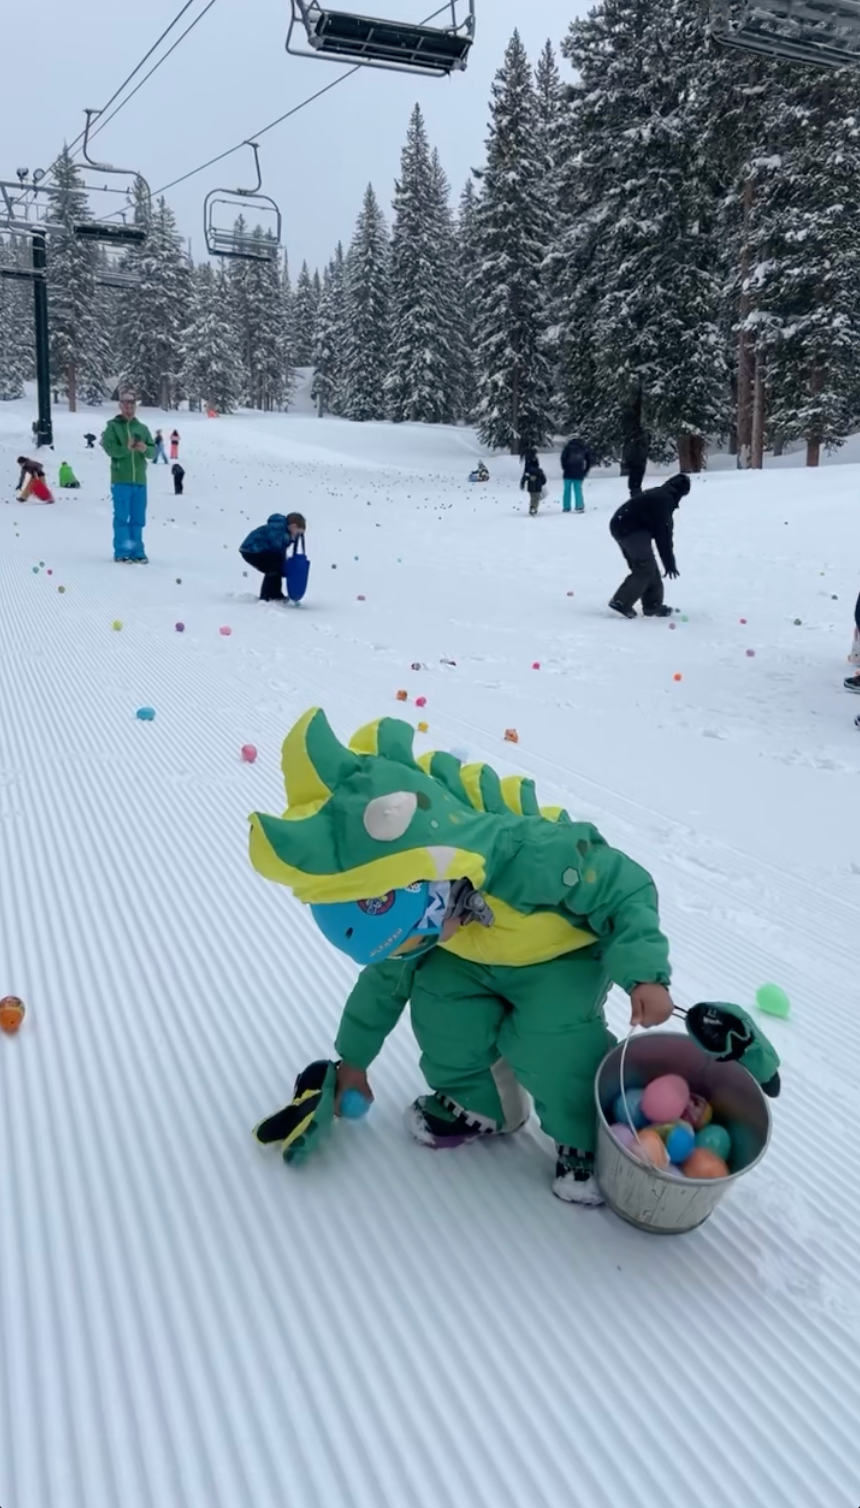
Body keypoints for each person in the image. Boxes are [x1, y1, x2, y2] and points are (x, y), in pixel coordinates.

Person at [608, 474, 690, 619]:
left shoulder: (660, 494)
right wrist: (669, 563)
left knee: (648, 567)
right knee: (644, 568)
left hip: (622, 526)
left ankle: (653, 605)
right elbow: (663, 535)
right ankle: (621, 601)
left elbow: (662, 532)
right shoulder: (664, 501)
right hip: (631, 530)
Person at [101, 391, 155, 563]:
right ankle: (122, 551)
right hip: (121, 480)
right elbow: (110, 449)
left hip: (139, 481)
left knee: (138, 519)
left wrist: (145, 449)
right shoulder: (113, 427)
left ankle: (137, 551)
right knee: (122, 518)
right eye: (126, 404)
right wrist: (126, 448)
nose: (129, 408)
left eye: (132, 404)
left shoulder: (142, 429)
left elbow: (153, 452)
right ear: (120, 406)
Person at [240, 512, 305, 602]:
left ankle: (275, 594)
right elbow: (276, 547)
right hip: (252, 550)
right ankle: (266, 596)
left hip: (258, 550)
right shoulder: (278, 529)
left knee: (276, 567)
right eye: (298, 533)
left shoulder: (283, 530)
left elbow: (279, 552)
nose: (297, 536)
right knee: (273, 567)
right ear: (293, 526)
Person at [560, 435, 592, 514]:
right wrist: (585, 471)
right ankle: (579, 506)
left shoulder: (567, 448)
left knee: (567, 490)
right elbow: (589, 460)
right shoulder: (583, 448)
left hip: (568, 472)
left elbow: (563, 459)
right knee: (578, 490)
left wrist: (565, 468)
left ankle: (566, 507)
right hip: (579, 472)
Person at [621, 430, 649, 496]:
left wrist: (627, 462)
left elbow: (632, 452)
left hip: (637, 465)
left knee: (634, 485)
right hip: (638, 464)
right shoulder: (637, 439)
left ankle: (636, 498)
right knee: (634, 485)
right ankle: (636, 498)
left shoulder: (636, 440)